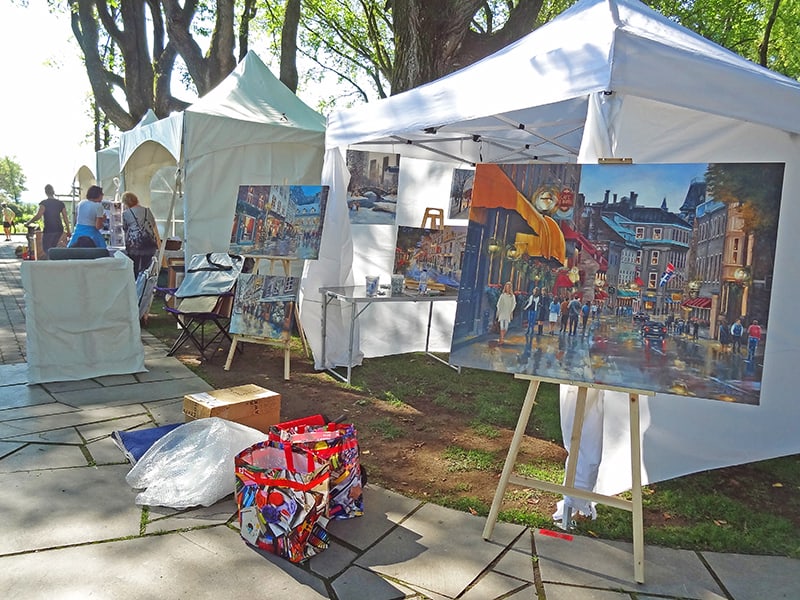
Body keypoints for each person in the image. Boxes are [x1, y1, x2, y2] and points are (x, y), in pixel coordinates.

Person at [122, 191, 160, 278]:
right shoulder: (148, 211)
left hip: (134, 245)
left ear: (125, 203)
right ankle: (144, 286)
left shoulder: (126, 214)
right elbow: (153, 226)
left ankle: (135, 287)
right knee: (147, 269)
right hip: (149, 244)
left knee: (133, 269)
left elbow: (125, 228)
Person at [25, 184, 71, 255]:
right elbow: (65, 217)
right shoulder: (60, 203)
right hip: (59, 229)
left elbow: (38, 215)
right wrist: (68, 230)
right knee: (56, 248)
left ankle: (50, 262)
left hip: (48, 230)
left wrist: (28, 222)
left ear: (45, 192)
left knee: (46, 249)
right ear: (53, 192)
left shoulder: (44, 203)